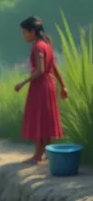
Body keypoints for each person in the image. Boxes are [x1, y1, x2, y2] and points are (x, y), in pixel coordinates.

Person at [15, 16, 67, 164]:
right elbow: (54, 68)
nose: (23, 35)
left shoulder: (38, 46)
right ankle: (44, 152)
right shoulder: (47, 45)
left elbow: (40, 70)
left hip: (41, 85)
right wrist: (62, 85)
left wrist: (22, 83)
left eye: (24, 32)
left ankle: (38, 154)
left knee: (39, 117)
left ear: (32, 31)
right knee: (45, 118)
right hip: (49, 83)